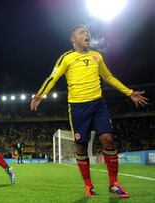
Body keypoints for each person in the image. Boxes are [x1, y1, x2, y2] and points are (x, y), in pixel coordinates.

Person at [30, 25, 148, 198]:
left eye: (87, 32)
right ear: (73, 39)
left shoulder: (97, 56)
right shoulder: (66, 57)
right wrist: (40, 95)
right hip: (78, 108)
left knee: (107, 139)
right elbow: (53, 77)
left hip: (98, 104)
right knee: (81, 146)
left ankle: (114, 184)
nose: (87, 34)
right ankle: (88, 185)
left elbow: (108, 77)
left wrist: (129, 92)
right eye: (81, 32)